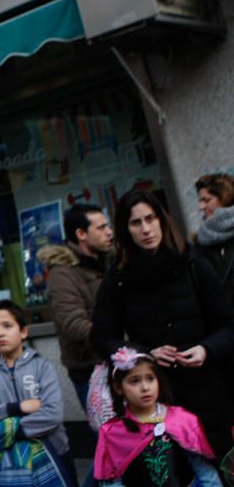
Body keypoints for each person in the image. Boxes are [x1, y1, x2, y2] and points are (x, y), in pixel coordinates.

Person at [91, 188, 234, 458]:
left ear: (162, 219)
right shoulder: (117, 278)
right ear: (125, 228)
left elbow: (229, 325)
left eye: (151, 218)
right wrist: (143, 355)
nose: (146, 228)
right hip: (155, 403)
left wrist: (206, 349)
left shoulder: (193, 263)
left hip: (211, 395)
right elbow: (101, 338)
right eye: (136, 222)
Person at [0, 300, 76, 487]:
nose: (0, 333)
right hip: (10, 461)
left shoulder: (42, 367)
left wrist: (7, 430)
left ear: (23, 332)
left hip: (53, 452)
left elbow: (53, 414)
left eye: (7, 325)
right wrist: (15, 407)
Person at [94, 346, 221, 487]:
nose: (145, 387)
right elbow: (112, 480)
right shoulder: (112, 432)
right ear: (118, 387)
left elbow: (205, 471)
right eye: (134, 381)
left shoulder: (182, 420)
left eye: (150, 379)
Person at [43, 203, 113, 412]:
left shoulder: (110, 262)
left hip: (124, 363)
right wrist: (116, 341)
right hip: (91, 370)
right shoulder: (62, 274)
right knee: (110, 436)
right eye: (100, 228)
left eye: (107, 226)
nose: (109, 232)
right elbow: (73, 324)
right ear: (81, 234)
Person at [193, 173, 234, 302]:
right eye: (200, 201)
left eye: (207, 200)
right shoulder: (199, 244)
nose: (201, 207)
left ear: (225, 198)